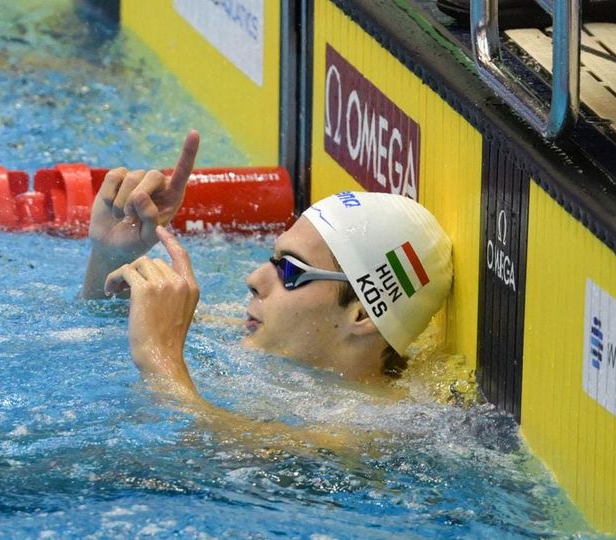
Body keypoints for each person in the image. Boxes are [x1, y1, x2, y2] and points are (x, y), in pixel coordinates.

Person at [82, 130, 453, 439]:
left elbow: (213, 449)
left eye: (290, 269)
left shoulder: (379, 432)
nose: (254, 280)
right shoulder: (251, 339)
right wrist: (109, 257)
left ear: (362, 313)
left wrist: (160, 359)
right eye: (273, 259)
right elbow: (99, 324)